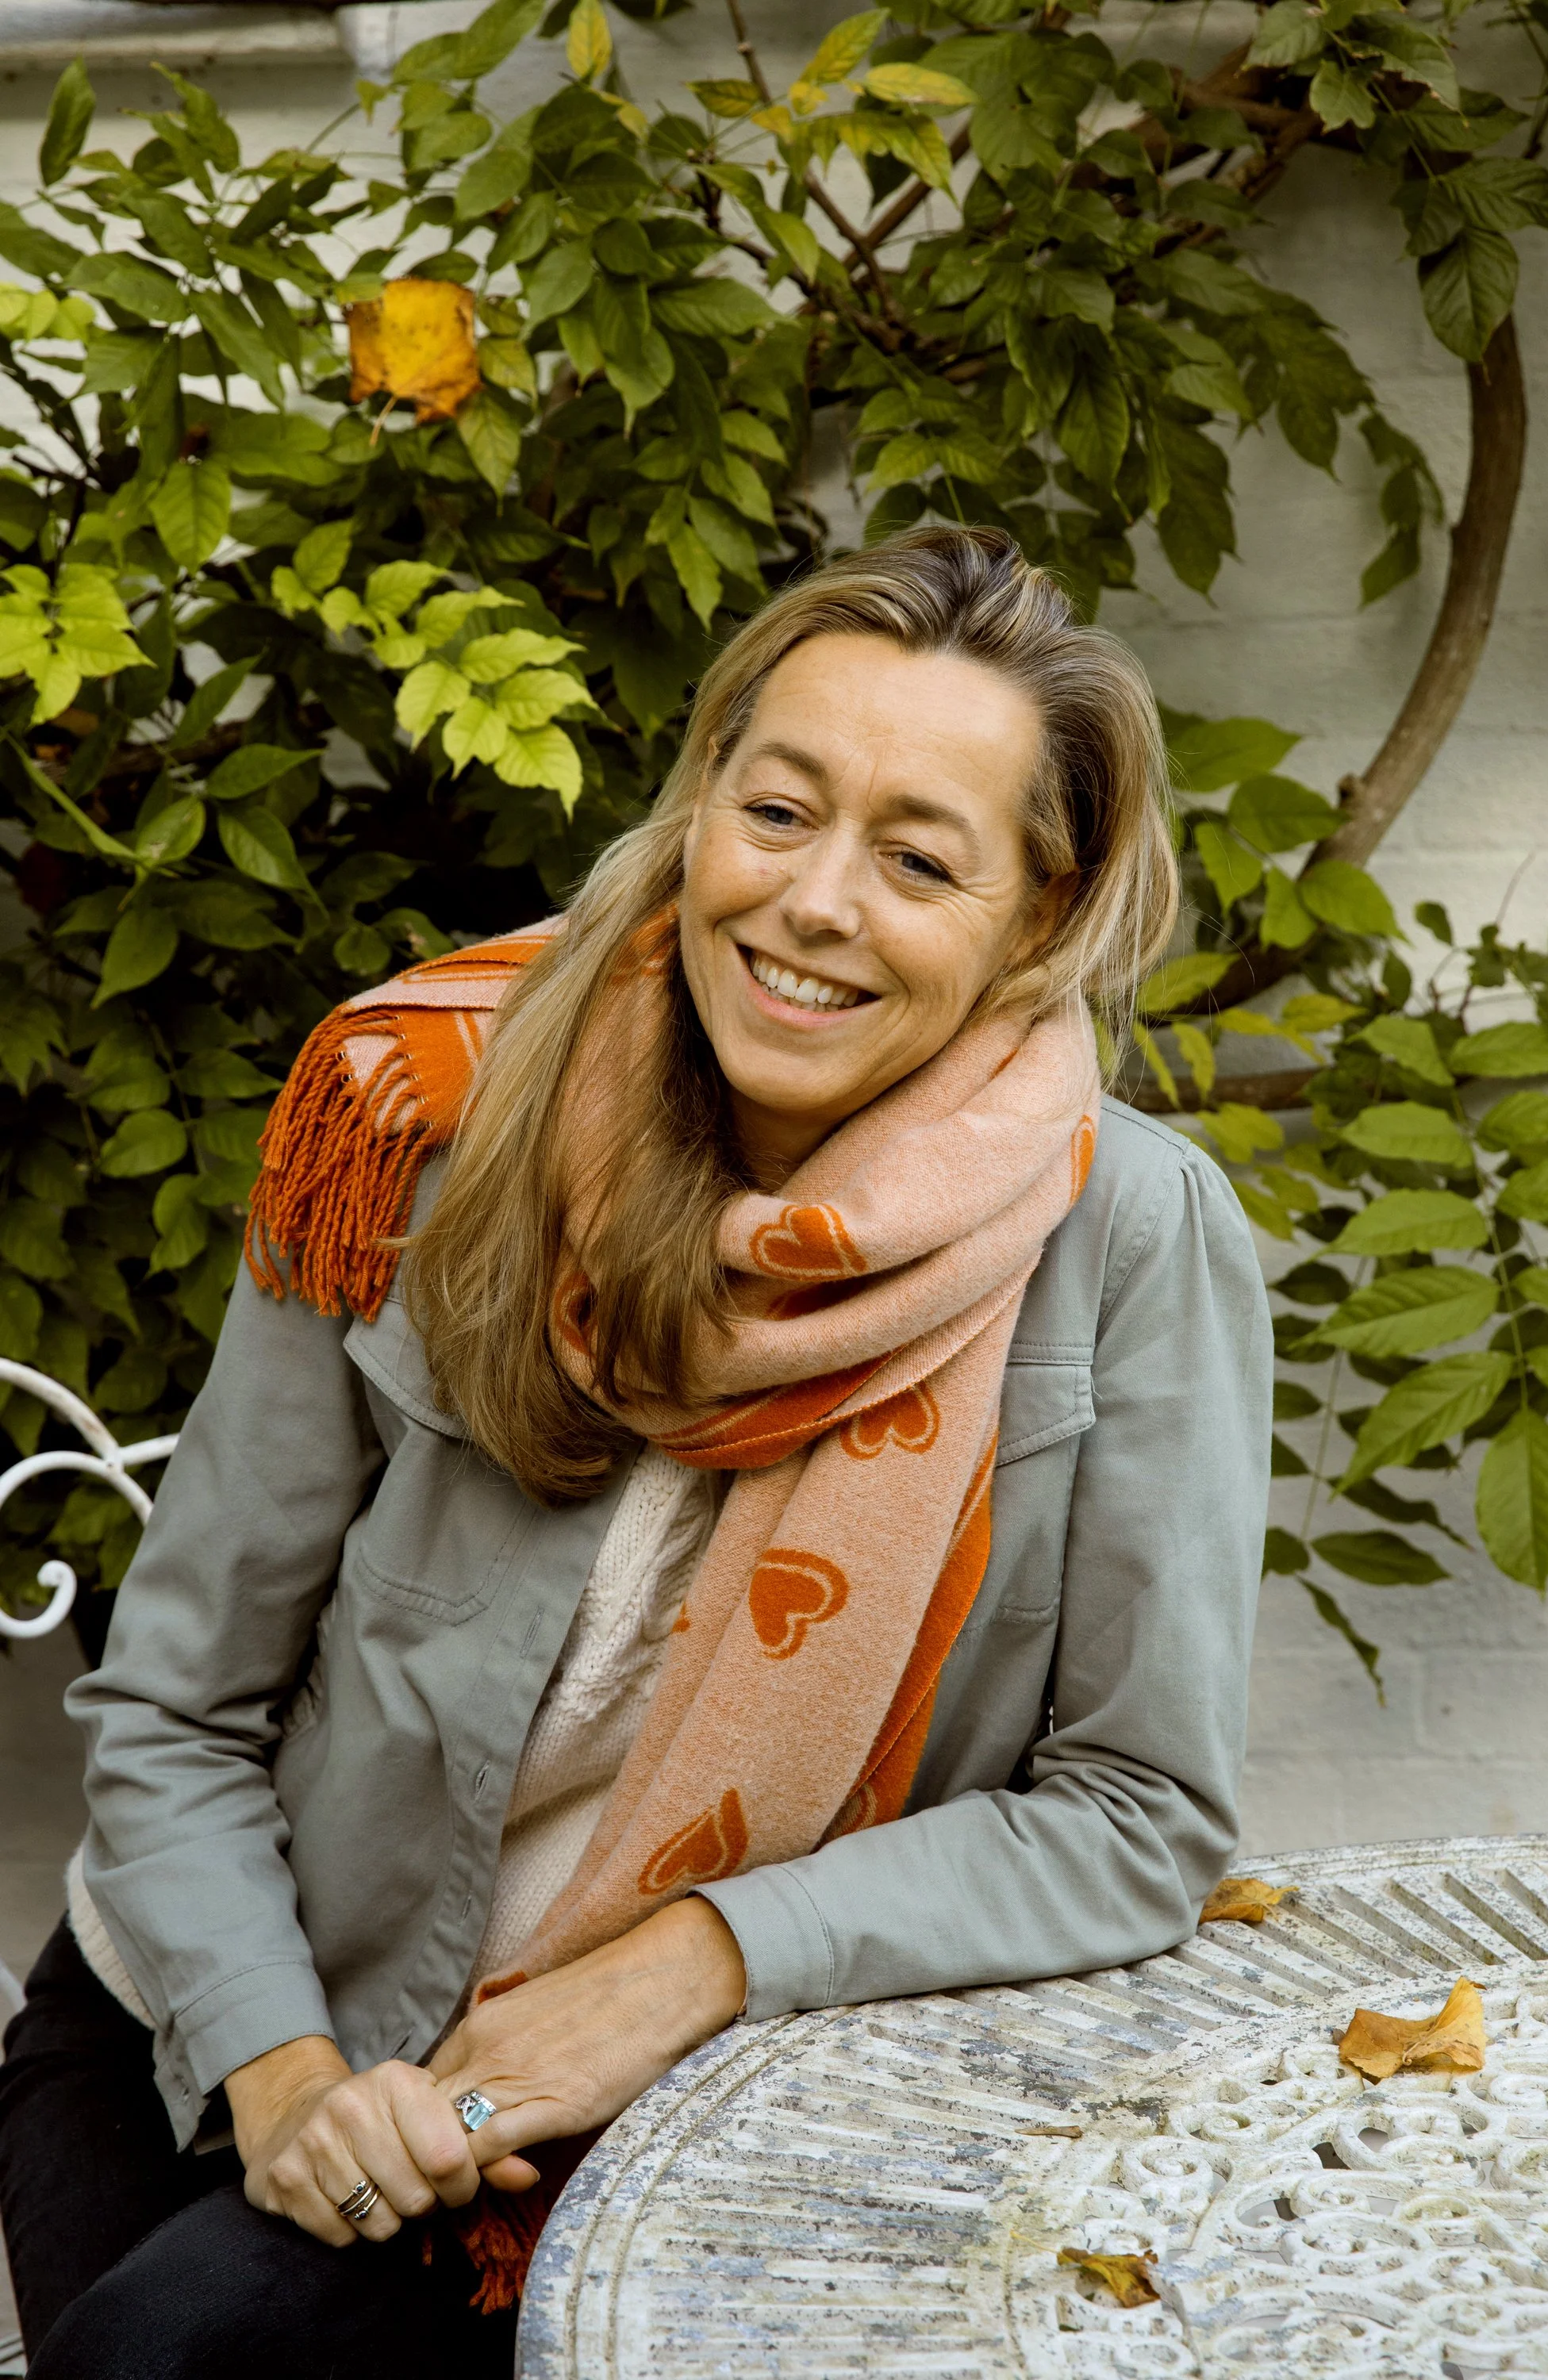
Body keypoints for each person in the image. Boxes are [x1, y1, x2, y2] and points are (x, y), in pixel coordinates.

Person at [0, 527, 1270, 2378]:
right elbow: (176, 1710)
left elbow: (1133, 1815)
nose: (815, 903)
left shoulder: (1131, 1242)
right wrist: (276, 2070)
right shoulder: (426, 1118)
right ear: (700, 808)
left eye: (919, 860)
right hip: (205, 2008)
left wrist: (690, 1963)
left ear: (1036, 917)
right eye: (777, 810)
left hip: (674, 2115)